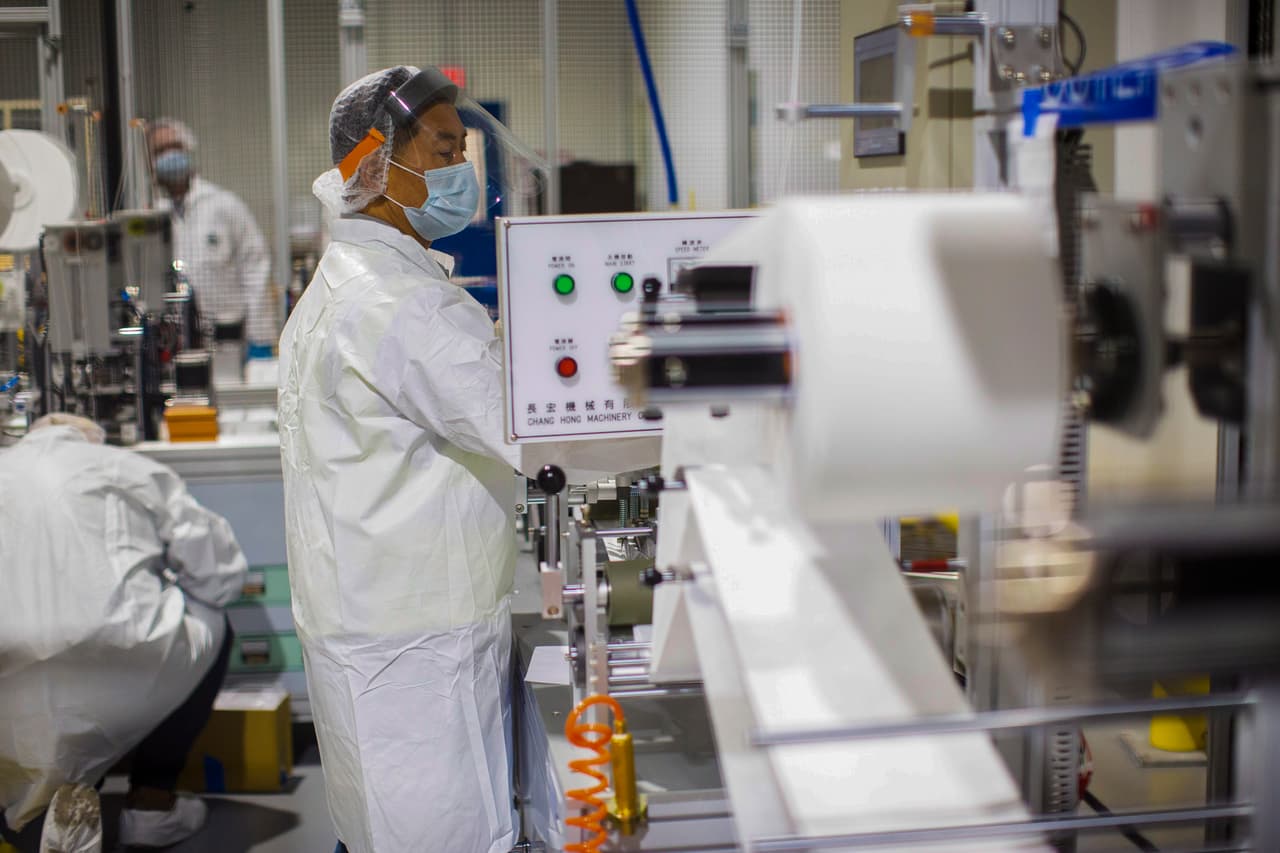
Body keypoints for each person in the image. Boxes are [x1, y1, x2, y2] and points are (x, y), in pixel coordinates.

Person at [279, 65, 529, 853]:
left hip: (367, 630)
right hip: (422, 653)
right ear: (375, 164)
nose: (462, 172)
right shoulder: (403, 303)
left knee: (374, 831)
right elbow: (531, 432)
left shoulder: (342, 286)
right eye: (445, 150)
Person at [0, 413, 248, 849]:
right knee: (213, 623)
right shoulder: (129, 468)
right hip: (121, 650)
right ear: (91, 440)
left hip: (8, 658)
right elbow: (220, 577)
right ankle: (153, 803)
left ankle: (33, 815)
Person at [147, 118, 277, 356]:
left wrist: (259, 338)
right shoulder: (149, 216)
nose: (169, 155)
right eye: (160, 150)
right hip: (171, 344)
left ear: (187, 149)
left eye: (174, 146)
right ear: (150, 161)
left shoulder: (224, 205)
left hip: (229, 340)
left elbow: (256, 269)